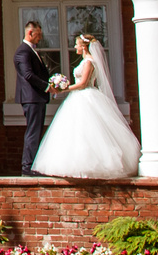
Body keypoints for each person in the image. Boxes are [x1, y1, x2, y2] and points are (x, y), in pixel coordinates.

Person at [32, 32, 141, 180]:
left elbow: (83, 84)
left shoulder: (89, 61)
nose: (75, 46)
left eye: (77, 44)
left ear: (84, 47)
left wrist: (64, 89)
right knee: (76, 132)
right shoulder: (85, 61)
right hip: (79, 97)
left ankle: (91, 167)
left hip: (86, 96)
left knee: (88, 131)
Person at [13, 18, 63, 175]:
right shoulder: (23, 51)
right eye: (38, 34)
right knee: (33, 132)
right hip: (31, 98)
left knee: (36, 131)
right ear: (30, 32)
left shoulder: (31, 51)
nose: (40, 38)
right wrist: (47, 86)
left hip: (37, 98)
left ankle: (32, 165)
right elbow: (28, 74)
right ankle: (28, 167)